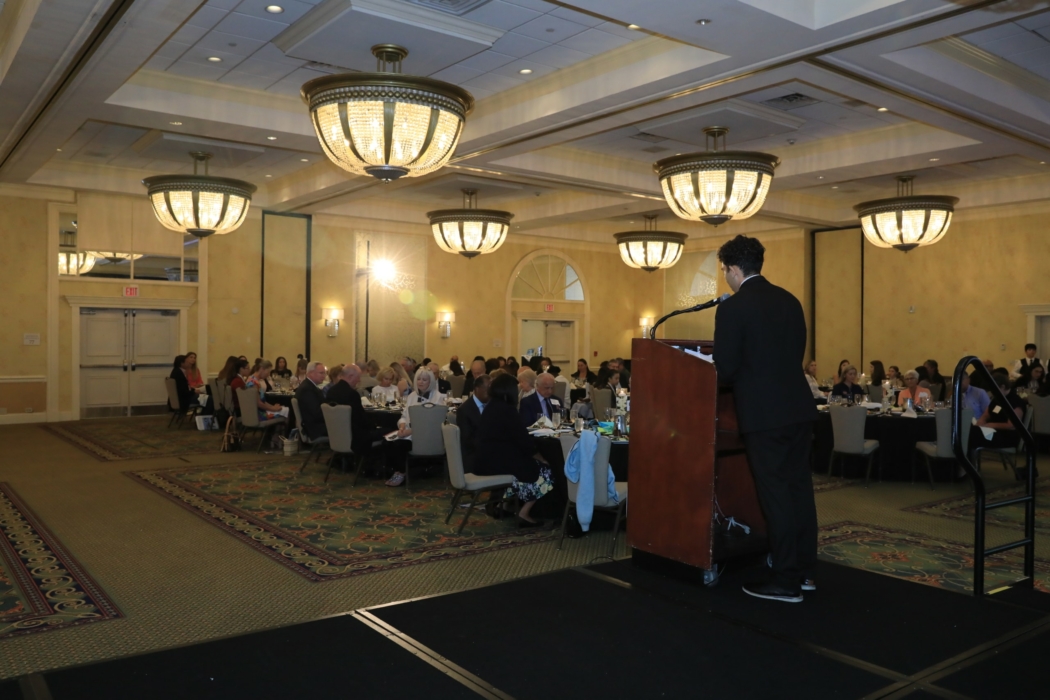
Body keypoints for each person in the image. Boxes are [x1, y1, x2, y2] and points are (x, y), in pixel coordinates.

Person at [712, 235, 818, 604]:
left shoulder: (733, 308)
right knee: (799, 490)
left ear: (733, 269)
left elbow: (725, 369)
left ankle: (785, 580)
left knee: (776, 495)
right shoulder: (790, 301)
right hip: (799, 409)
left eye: (724, 270)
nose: (725, 276)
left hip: (763, 414)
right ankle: (804, 571)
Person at [474, 374, 552, 527]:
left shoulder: (491, 407)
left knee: (524, 464)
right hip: (497, 462)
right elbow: (523, 441)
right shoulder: (508, 410)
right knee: (545, 469)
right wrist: (541, 458)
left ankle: (503, 504)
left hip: (485, 459)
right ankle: (524, 512)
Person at [386, 368, 446, 487]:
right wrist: (402, 426)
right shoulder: (412, 396)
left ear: (431, 381)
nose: (421, 382)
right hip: (409, 434)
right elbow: (404, 416)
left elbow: (433, 424)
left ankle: (401, 473)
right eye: (418, 379)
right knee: (387, 442)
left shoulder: (438, 397)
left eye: (424, 379)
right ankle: (397, 471)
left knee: (399, 445)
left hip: (427, 437)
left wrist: (409, 431)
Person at [968, 373, 1027, 474]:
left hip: (1007, 437)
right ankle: (966, 466)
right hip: (992, 432)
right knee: (968, 430)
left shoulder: (1015, 401)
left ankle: (967, 467)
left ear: (1002, 387)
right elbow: (986, 415)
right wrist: (980, 422)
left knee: (970, 434)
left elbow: (1011, 425)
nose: (992, 392)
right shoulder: (997, 399)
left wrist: (989, 425)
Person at [326, 364, 378, 459]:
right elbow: (360, 419)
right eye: (358, 377)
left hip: (337, 435)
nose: (359, 380)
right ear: (350, 377)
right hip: (354, 437)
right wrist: (375, 426)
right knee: (389, 432)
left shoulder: (331, 391)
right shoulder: (352, 394)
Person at [456, 374, 490, 473]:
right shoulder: (465, 410)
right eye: (488, 389)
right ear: (477, 389)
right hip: (474, 458)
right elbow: (467, 440)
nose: (491, 392)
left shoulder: (491, 405)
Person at [293, 361, 328, 439]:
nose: (324, 376)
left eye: (324, 373)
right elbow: (316, 413)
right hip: (314, 428)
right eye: (321, 373)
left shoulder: (308, 386)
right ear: (311, 373)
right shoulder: (307, 389)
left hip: (313, 425)